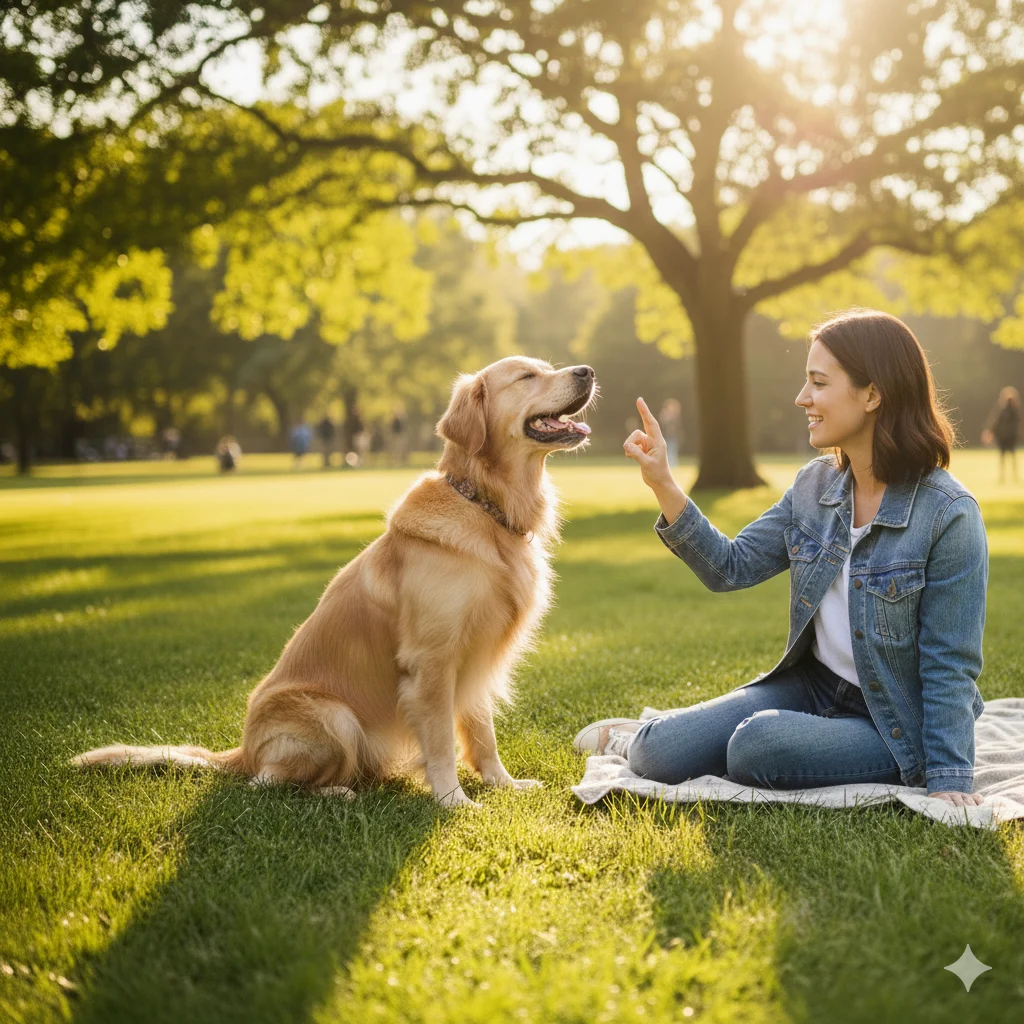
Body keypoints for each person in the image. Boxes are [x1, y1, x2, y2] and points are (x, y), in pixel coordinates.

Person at [575, 310, 987, 809]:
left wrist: (949, 776)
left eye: (819, 382)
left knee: (757, 745)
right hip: (813, 686)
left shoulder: (948, 514)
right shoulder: (814, 485)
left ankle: (768, 739)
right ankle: (641, 735)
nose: (802, 397)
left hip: (895, 722)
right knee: (657, 753)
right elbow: (730, 567)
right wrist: (662, 481)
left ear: (872, 395)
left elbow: (949, 662)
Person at [982, 386, 1020, 483]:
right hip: (1009, 437)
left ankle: (1004, 477)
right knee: (1011, 456)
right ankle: (1010, 476)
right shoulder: (1013, 410)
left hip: (1005, 437)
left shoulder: (1004, 410)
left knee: (1004, 457)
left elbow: (995, 423)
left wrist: (990, 432)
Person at [659, 398, 683, 466]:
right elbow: (662, 423)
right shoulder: (664, 414)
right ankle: (668, 465)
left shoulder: (675, 416)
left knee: (672, 451)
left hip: (673, 437)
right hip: (666, 436)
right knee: (667, 451)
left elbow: (676, 426)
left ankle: (673, 465)